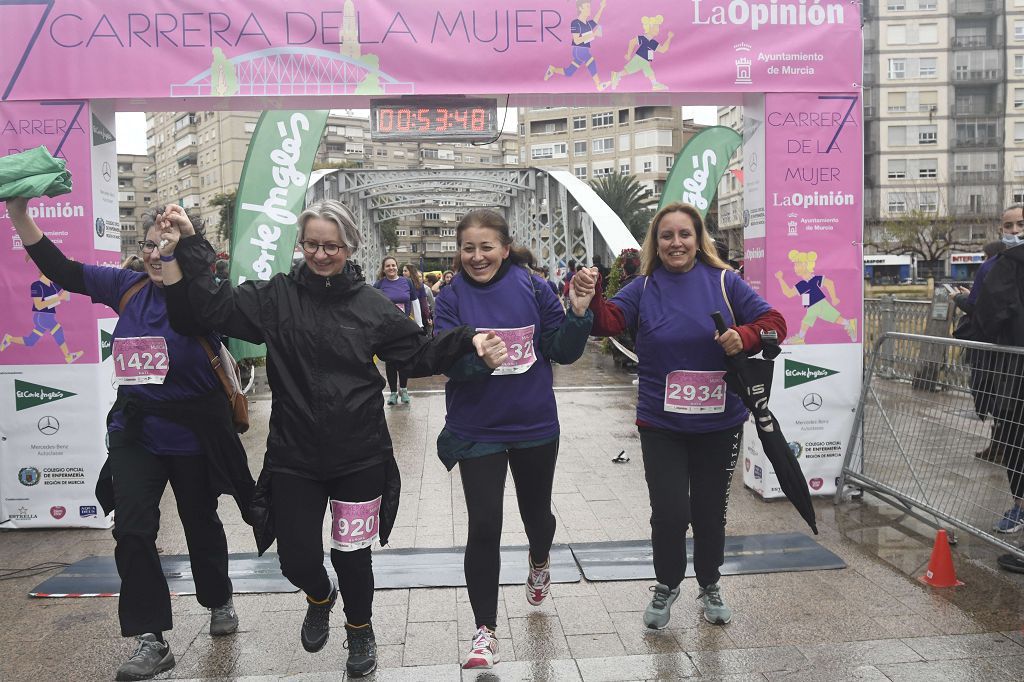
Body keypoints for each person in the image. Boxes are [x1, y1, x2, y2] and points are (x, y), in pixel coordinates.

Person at [158, 199, 506, 678]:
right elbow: (211, 308)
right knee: (297, 557)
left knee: (352, 554)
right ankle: (320, 595)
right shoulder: (275, 296)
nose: (321, 255)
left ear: (349, 248)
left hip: (359, 453)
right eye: (312, 244)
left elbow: (419, 354)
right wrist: (192, 243)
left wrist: (469, 341)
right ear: (301, 246)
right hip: (294, 453)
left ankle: (360, 631)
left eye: (332, 246)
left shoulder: (371, 306)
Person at [3, 197, 246, 681]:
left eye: (169, 245)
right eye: (151, 246)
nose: (158, 255)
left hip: (196, 433)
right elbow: (62, 269)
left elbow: (205, 300)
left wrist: (186, 250)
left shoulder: (205, 294)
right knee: (133, 531)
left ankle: (218, 598)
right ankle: (151, 638)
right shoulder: (126, 287)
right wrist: (18, 214)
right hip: (137, 431)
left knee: (201, 524)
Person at [574, 202, 786, 628]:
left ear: (697, 240)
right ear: (656, 243)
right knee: (669, 513)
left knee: (709, 511)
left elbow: (776, 322)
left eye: (684, 235)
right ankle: (667, 584)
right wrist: (588, 296)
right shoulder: (644, 286)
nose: (676, 243)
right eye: (666, 236)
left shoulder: (725, 281)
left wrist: (743, 335)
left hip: (718, 423)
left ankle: (709, 582)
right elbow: (608, 322)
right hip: (661, 424)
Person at [433, 209, 594, 670]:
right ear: (459, 251)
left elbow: (561, 350)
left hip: (533, 426)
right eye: (468, 248)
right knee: (484, 525)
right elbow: (446, 361)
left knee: (536, 516)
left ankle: (539, 560)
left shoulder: (532, 286)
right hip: (476, 429)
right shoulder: (451, 298)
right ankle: (485, 631)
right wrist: (477, 361)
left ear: (505, 248)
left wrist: (578, 313)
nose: (477, 256)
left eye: (487, 247)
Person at [974, 204, 1024, 541]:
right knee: (1013, 439)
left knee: (1015, 439)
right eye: (1009, 225)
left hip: (1010, 367)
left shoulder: (1001, 267)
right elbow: (989, 311)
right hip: (1009, 372)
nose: (1015, 230)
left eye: (1020, 224)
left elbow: (987, 315)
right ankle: (1019, 505)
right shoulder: (1000, 266)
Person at [374, 256, 425, 405]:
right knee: (390, 360)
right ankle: (393, 393)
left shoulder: (407, 282)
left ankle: (404, 390)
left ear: (397, 267)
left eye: (393, 265)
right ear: (383, 269)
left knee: (403, 360)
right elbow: (373, 305)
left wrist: (420, 325)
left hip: (404, 327)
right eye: (388, 266)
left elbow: (415, 303)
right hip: (387, 329)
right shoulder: (379, 284)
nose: (391, 268)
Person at [403, 262, 434, 334]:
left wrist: (428, 317)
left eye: (405, 271)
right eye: (403, 271)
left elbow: (424, 303)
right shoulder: (402, 283)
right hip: (405, 314)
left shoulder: (420, 286)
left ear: (411, 272)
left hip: (419, 315)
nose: (403, 273)